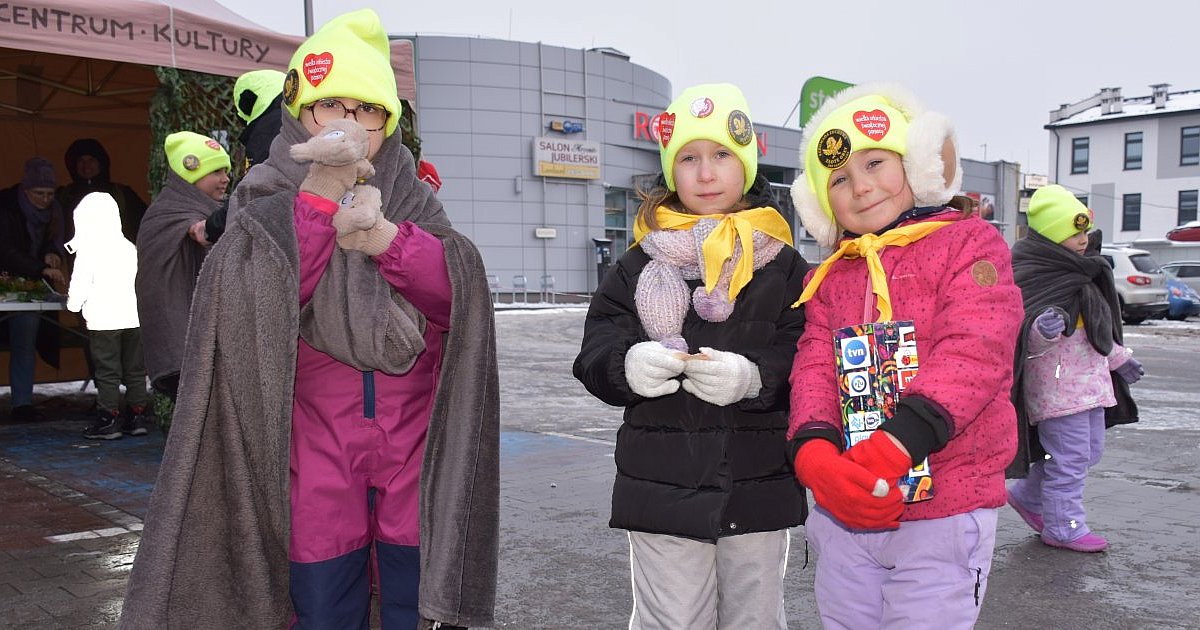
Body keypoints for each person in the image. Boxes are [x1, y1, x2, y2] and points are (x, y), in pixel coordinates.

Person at [119, 9, 498, 630]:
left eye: (368, 110)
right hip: (312, 430)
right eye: (331, 106)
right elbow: (258, 297)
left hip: (413, 432)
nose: (349, 123)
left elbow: (458, 295)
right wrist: (319, 199)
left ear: (389, 122)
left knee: (415, 591)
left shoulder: (412, 195)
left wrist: (386, 240)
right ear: (301, 111)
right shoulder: (265, 188)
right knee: (322, 597)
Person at [573, 83, 810, 630]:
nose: (706, 174)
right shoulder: (637, 262)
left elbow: (807, 354)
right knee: (671, 622)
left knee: (754, 620)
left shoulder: (785, 265)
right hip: (662, 486)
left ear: (747, 164)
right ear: (670, 171)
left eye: (722, 154)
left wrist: (754, 379)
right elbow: (596, 347)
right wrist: (626, 365)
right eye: (688, 158)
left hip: (758, 486)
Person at [786, 84, 1023, 629]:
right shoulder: (830, 274)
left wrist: (898, 443)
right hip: (847, 505)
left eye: (875, 163)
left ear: (918, 163)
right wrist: (814, 451)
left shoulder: (968, 242)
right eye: (839, 179)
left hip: (947, 503)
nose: (861, 186)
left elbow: (976, 348)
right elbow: (814, 364)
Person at [1006, 185, 1141, 553]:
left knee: (1089, 451)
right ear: (1051, 237)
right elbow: (1019, 333)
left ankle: (1028, 496)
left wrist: (1119, 358)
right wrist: (1040, 331)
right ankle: (1064, 526)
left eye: (1084, 231)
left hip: (1092, 385)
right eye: (1074, 233)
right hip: (1056, 389)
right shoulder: (1033, 273)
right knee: (1070, 459)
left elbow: (1097, 328)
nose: (1084, 240)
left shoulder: (1084, 272)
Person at [135, 131, 231, 401]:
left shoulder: (186, 209)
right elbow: (198, 233)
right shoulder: (173, 214)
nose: (225, 179)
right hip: (182, 346)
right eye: (216, 171)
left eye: (225, 171)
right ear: (190, 173)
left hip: (185, 346)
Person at [63, 192, 153, 439]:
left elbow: (80, 283)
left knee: (107, 370)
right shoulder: (129, 247)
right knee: (135, 369)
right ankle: (137, 416)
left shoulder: (88, 250)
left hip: (103, 320)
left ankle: (108, 418)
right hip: (134, 318)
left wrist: (72, 305)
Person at [0, 157, 67, 422]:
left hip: (29, 287)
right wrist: (40, 267)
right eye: (39, 193)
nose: (45, 199)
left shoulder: (55, 212)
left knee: (24, 341)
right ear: (25, 190)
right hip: (13, 276)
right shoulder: (5, 207)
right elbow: (5, 250)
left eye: (50, 194)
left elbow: (54, 241)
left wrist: (52, 254)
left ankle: (22, 404)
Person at [56, 138, 148, 245]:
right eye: (81, 161)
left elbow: (143, 224)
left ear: (101, 164)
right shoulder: (64, 195)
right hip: (75, 258)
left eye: (91, 160)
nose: (86, 166)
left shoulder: (122, 193)